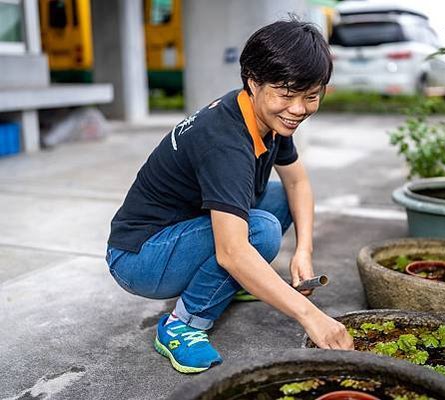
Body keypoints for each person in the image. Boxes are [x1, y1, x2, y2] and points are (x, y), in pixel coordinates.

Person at [105, 18, 354, 374]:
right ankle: (183, 323)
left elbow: (298, 183)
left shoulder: (266, 114)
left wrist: (304, 252)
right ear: (254, 82)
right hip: (139, 257)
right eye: (286, 93)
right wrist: (312, 317)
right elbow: (232, 251)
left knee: (280, 199)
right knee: (259, 232)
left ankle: (227, 283)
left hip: (181, 230)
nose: (298, 109)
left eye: (311, 96)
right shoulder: (226, 142)